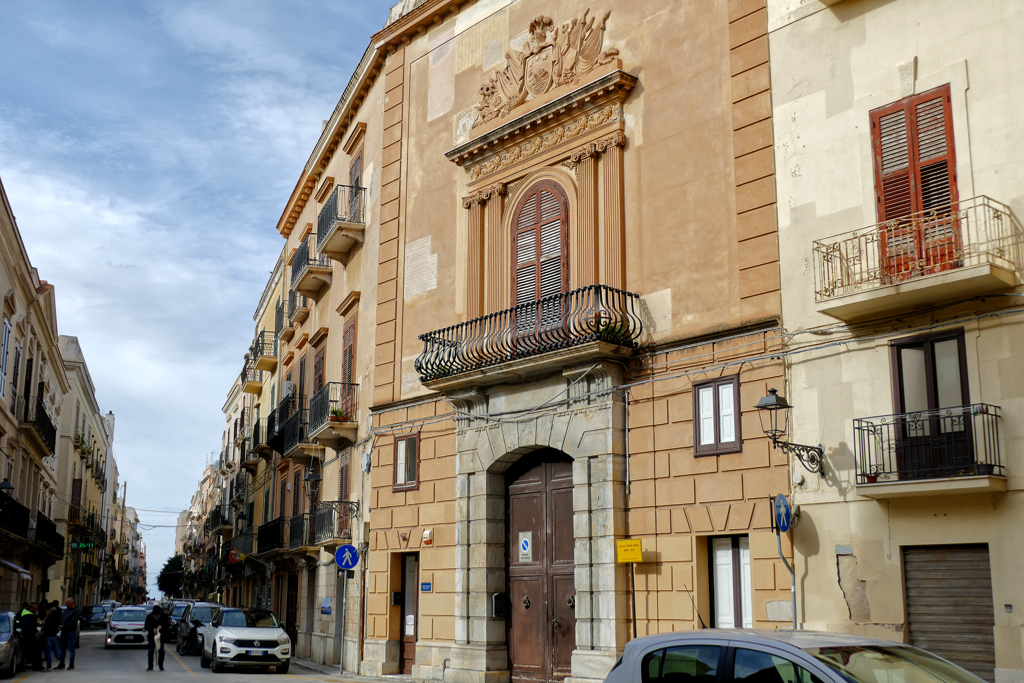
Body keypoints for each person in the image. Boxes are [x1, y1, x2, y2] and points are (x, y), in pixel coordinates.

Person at [16, 602, 42, 671]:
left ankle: (34, 665)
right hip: (29, 637)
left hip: (28, 636)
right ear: (31, 608)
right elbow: (28, 627)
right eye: (35, 608)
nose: (36, 610)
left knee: (30, 652)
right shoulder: (27, 616)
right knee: (33, 651)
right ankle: (36, 666)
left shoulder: (28, 615)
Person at [144, 604, 170, 671]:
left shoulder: (164, 616)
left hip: (161, 637)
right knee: (150, 651)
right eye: (155, 614)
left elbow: (167, 625)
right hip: (151, 637)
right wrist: (152, 629)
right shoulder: (149, 617)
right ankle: (150, 666)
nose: (157, 615)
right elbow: (146, 626)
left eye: (158, 614)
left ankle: (161, 665)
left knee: (161, 651)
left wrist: (162, 627)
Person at [58, 597, 80, 670]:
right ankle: (61, 664)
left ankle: (71, 664)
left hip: (70, 632)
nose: (66, 604)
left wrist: (64, 626)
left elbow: (73, 622)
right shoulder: (66, 610)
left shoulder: (76, 611)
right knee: (62, 648)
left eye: (67, 603)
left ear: (71, 603)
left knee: (71, 648)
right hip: (63, 632)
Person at [43, 601, 62, 671]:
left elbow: (47, 624)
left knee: (48, 651)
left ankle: (49, 666)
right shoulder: (58, 613)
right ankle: (59, 657)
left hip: (49, 633)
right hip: (54, 633)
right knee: (55, 646)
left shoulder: (50, 615)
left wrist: (43, 626)